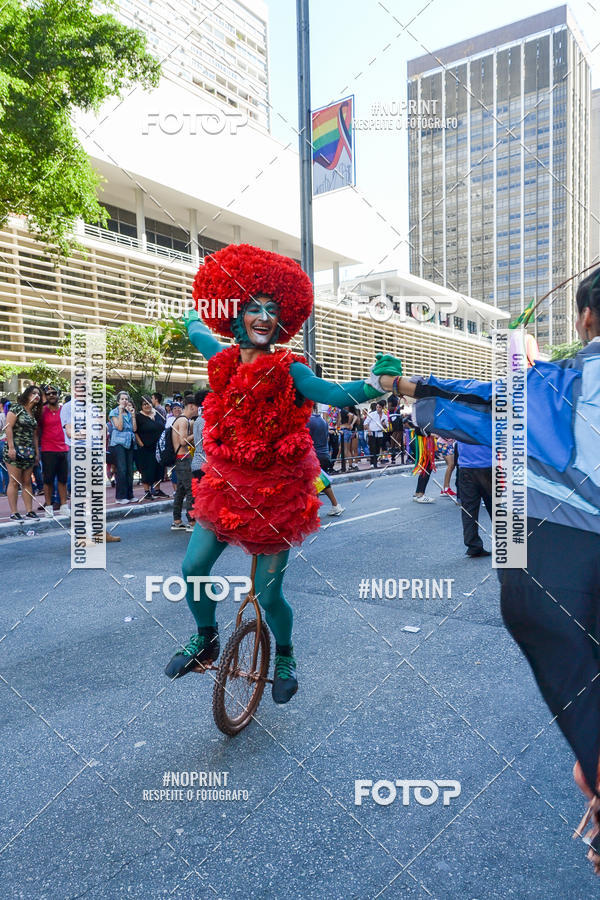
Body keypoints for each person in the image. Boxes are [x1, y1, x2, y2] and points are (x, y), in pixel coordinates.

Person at [372, 267, 600, 871]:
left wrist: (410, 387)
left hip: (537, 521)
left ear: (584, 321)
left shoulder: (542, 388)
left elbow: (471, 401)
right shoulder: (537, 387)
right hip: (505, 487)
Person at [164, 243, 384, 703]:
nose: (264, 317)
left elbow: (330, 391)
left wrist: (371, 386)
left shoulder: (291, 367)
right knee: (193, 568)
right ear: (236, 316)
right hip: (227, 486)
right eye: (254, 308)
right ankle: (206, 637)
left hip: (277, 493)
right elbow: (200, 336)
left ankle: (284, 653)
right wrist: (188, 318)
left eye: (272, 309)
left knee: (268, 595)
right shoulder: (223, 360)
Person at [3, 385, 42, 520]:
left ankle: (29, 511)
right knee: (14, 481)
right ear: (27, 394)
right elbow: (8, 427)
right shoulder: (16, 408)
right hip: (15, 449)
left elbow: (35, 435)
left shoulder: (34, 413)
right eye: (34, 393)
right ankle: (14, 512)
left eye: (38, 394)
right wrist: (11, 447)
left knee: (27, 482)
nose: (36, 396)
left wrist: (37, 453)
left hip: (29, 451)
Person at [455, 440, 492, 556]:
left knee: (469, 509)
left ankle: (473, 545)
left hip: (466, 467)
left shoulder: (461, 421)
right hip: (488, 465)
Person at [39, 385, 70, 517]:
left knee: (63, 479)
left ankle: (63, 505)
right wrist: (36, 450)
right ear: (45, 396)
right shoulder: (41, 411)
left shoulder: (64, 410)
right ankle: (49, 506)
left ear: (58, 395)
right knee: (48, 480)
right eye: (48, 393)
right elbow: (36, 432)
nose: (51, 395)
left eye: (54, 393)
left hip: (64, 448)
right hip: (48, 449)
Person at [171, 395, 198, 532]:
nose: (198, 410)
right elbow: (183, 441)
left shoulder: (179, 419)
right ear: (192, 406)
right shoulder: (184, 421)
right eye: (197, 407)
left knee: (181, 490)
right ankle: (191, 521)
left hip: (180, 457)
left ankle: (177, 520)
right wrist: (198, 434)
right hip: (183, 457)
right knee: (191, 490)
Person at [108, 391, 137, 504]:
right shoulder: (114, 412)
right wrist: (120, 412)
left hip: (129, 442)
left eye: (126, 399)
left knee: (130, 470)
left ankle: (130, 495)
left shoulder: (129, 413)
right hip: (118, 443)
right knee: (122, 469)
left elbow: (134, 429)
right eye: (122, 399)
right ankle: (120, 496)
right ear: (118, 401)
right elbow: (119, 427)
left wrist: (133, 416)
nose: (124, 401)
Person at [134, 397, 165, 500]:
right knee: (147, 470)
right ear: (141, 406)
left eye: (148, 403)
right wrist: (141, 444)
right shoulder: (138, 417)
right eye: (144, 404)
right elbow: (135, 432)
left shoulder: (157, 414)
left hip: (158, 447)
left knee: (159, 468)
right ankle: (147, 492)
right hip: (145, 448)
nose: (147, 405)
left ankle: (157, 490)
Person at [308, 404, 334, 474]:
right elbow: (327, 438)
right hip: (325, 455)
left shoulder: (308, 421)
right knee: (323, 481)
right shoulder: (323, 421)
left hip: (315, 457)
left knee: (315, 482)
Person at [364, 402, 384, 468]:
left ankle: (376, 461)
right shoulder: (372, 414)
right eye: (377, 407)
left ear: (382, 408)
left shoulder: (385, 416)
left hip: (380, 433)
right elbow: (365, 423)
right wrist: (369, 430)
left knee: (378, 448)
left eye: (379, 407)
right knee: (372, 448)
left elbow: (385, 426)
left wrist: (383, 425)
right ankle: (372, 463)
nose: (378, 408)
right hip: (372, 433)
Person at [0, 398, 9, 494]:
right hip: (10, 441)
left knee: (2, 466)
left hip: (2, 441)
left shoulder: (1, 416)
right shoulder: (11, 415)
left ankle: (2, 489)